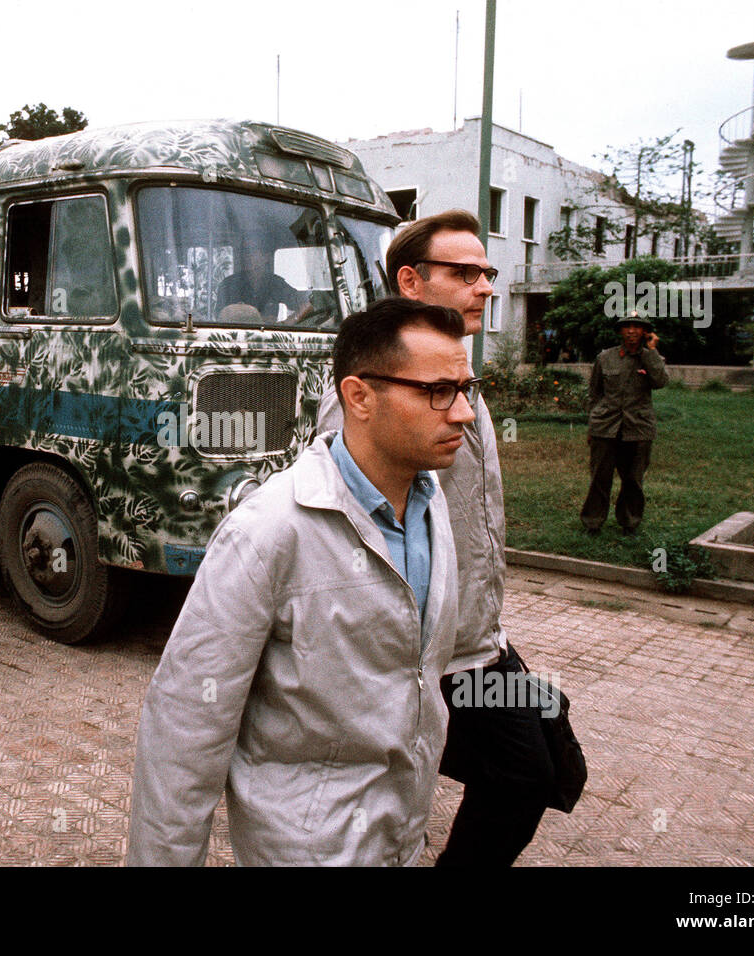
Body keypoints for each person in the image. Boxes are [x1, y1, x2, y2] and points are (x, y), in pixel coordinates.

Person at [128, 297, 474, 866]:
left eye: (467, 388)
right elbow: (185, 725)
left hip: (402, 839)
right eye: (437, 391)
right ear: (358, 396)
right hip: (306, 850)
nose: (461, 412)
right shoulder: (269, 531)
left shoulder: (430, 504)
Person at [318, 209, 557, 867]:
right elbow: (346, 527)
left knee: (554, 761)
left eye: (488, 273)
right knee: (523, 777)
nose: (485, 286)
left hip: (480, 637)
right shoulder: (375, 392)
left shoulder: (457, 378)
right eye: (464, 272)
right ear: (411, 282)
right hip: (427, 651)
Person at [580, 311, 668, 535]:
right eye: (627, 326)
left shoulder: (650, 358)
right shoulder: (605, 357)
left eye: (637, 327)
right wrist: (593, 424)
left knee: (633, 480)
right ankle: (593, 522)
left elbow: (660, 382)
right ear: (620, 331)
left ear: (645, 331)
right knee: (600, 477)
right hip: (606, 426)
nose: (631, 331)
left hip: (638, 428)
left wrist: (651, 351)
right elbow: (594, 392)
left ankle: (629, 523)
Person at [215, 235, 309, 323]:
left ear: (266, 256)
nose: (248, 256)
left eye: (254, 252)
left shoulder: (276, 283)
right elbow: (220, 318)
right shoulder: (228, 285)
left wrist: (288, 322)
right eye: (246, 252)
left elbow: (306, 304)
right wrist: (260, 319)